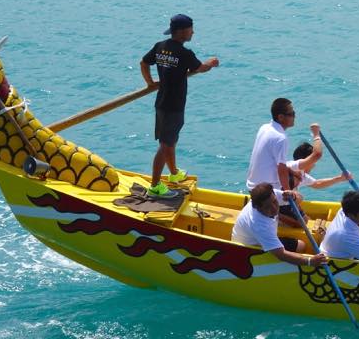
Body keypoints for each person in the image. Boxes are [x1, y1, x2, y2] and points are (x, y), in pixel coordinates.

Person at [139, 14, 218, 196]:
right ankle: (156, 186)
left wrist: (150, 83)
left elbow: (144, 62)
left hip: (162, 102)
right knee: (166, 144)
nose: (193, 32)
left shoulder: (161, 47)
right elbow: (200, 68)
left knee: (169, 141)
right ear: (183, 31)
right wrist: (211, 63)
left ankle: (173, 174)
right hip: (173, 106)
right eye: (191, 29)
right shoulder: (184, 53)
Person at [232, 183, 327, 267]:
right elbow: (281, 254)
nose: (274, 208)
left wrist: (293, 196)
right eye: (267, 207)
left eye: (274, 202)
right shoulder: (258, 224)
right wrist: (310, 261)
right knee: (301, 246)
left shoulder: (271, 194)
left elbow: (300, 198)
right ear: (257, 207)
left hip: (257, 237)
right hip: (250, 247)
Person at [246, 98, 298, 210]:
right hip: (265, 193)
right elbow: (281, 169)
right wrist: (288, 192)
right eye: (291, 114)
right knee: (298, 198)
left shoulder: (264, 128)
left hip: (253, 187)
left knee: (294, 178)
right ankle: (280, 216)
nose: (294, 116)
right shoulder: (281, 138)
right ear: (280, 117)